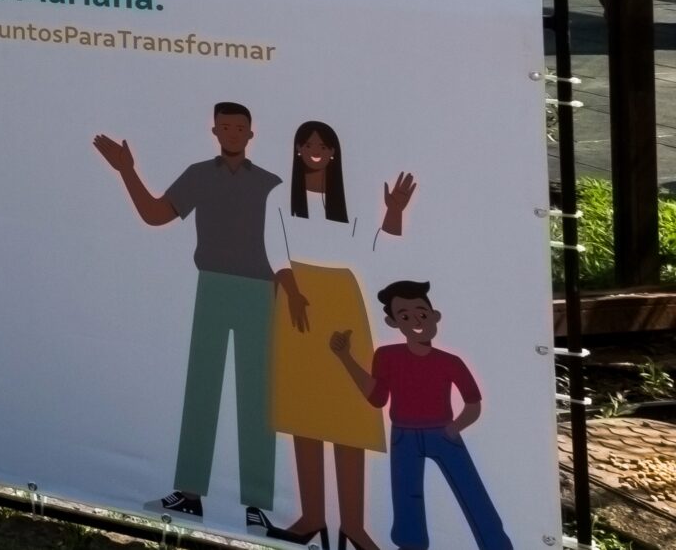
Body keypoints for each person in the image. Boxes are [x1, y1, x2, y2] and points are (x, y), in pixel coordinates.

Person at [94, 103, 287, 534]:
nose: (233, 133)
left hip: (261, 292)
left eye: (240, 128)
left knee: (257, 396)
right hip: (213, 286)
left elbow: (292, 242)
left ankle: (257, 506)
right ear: (214, 130)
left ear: (251, 134)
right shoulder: (199, 174)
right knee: (202, 385)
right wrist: (126, 170)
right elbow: (156, 214)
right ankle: (189, 494)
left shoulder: (270, 184)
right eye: (225, 127)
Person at [266, 122, 418, 550]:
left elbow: (376, 250)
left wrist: (394, 210)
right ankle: (311, 516)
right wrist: (293, 293)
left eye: (323, 145)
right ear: (297, 150)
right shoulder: (281, 196)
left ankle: (353, 524)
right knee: (304, 415)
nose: (315, 151)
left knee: (348, 414)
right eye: (308, 144)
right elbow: (272, 248)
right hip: (296, 304)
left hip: (342, 302)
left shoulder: (347, 202)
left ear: (333, 152)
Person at [328, 283, 510, 550]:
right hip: (404, 435)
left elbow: (473, 404)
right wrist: (345, 358)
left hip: (443, 433)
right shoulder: (387, 356)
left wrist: (454, 428)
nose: (415, 321)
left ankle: (496, 544)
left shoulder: (449, 362)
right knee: (406, 500)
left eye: (421, 313)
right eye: (404, 316)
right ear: (392, 322)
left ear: (434, 316)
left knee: (472, 492)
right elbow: (377, 397)